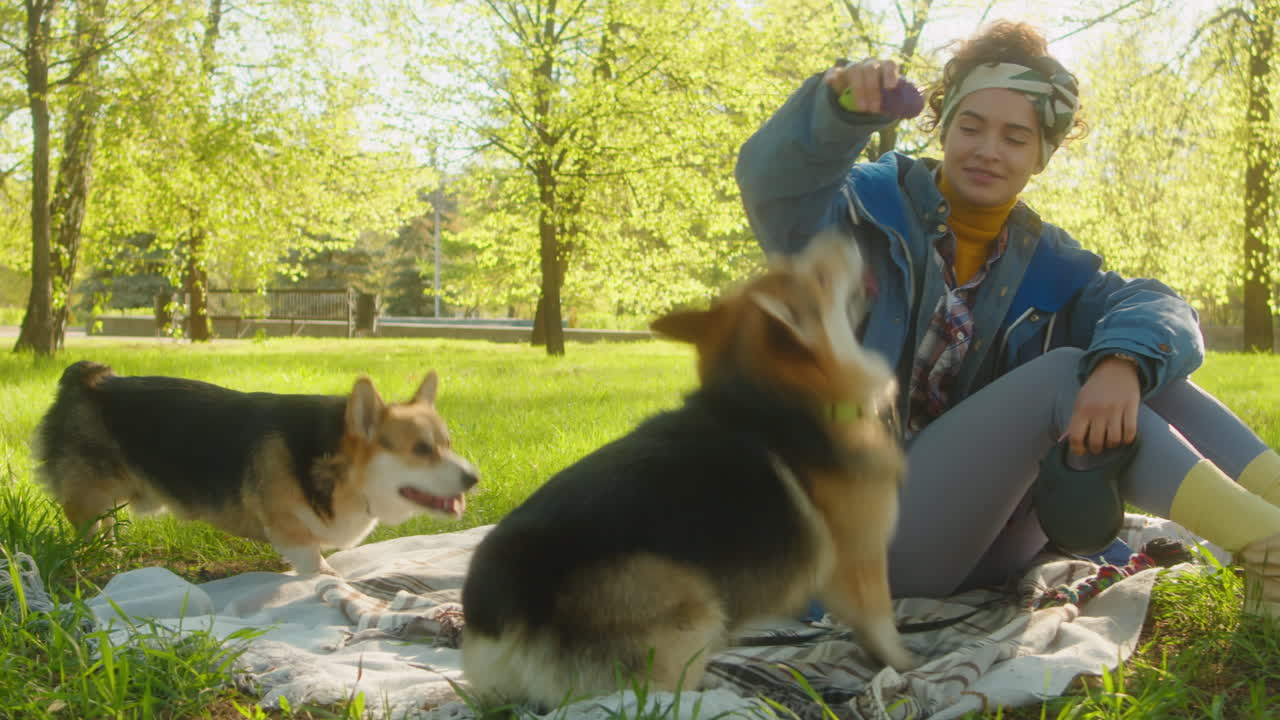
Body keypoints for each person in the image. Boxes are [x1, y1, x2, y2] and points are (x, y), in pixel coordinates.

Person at [734, 19, 1280, 614]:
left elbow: (1161, 307)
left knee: (1140, 358)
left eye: (1015, 138)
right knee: (1065, 373)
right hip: (849, 546)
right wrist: (834, 110)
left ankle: (1272, 520)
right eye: (971, 126)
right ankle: (1266, 547)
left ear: (1041, 157)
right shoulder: (859, 209)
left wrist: (1123, 362)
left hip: (978, 545)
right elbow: (775, 185)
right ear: (944, 128)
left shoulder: (1048, 263)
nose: (988, 150)